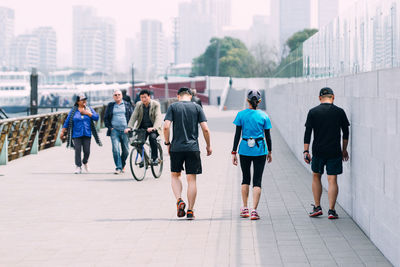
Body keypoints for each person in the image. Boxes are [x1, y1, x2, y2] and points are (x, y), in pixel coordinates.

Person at [163, 87, 212, 220]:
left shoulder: (173, 107)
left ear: (178, 96)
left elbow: (166, 126)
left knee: (175, 175)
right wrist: (208, 146)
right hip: (193, 148)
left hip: (176, 148)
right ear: (190, 96)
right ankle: (190, 210)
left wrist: (167, 143)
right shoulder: (197, 107)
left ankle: (179, 200)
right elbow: (205, 129)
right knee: (192, 180)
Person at [304, 87, 350, 220]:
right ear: (333, 97)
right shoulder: (340, 112)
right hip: (334, 151)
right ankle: (331, 210)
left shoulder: (313, 112)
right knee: (332, 179)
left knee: (316, 176)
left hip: (318, 150)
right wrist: (344, 149)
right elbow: (346, 133)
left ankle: (317, 207)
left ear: (319, 98)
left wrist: (306, 151)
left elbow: (307, 133)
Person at [231, 89, 272, 220]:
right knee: (257, 180)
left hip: (244, 149)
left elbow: (237, 135)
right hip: (260, 150)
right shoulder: (264, 116)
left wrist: (233, 152)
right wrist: (270, 151)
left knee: (245, 178)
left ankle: (244, 208)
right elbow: (268, 136)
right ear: (259, 101)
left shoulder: (241, 115)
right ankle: (254, 210)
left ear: (247, 100)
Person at [60, 93, 102, 174]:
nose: (84, 101)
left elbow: (96, 117)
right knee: (78, 150)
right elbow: (67, 121)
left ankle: (85, 162)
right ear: (78, 102)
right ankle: (78, 166)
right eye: (82, 100)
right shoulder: (73, 111)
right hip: (76, 134)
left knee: (87, 151)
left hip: (87, 133)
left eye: (85, 100)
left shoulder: (89, 109)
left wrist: (88, 113)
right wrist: (62, 131)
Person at [127, 89, 162, 165]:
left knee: (152, 138)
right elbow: (134, 116)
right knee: (137, 143)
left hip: (153, 128)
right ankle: (145, 160)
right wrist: (129, 127)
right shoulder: (139, 104)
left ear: (149, 97)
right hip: (142, 128)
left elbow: (158, 117)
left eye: (145, 97)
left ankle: (155, 158)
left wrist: (154, 127)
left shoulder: (156, 104)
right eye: (142, 97)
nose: (143, 99)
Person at [104, 89, 134, 174]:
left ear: (122, 96)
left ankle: (122, 164)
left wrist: (130, 127)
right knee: (116, 149)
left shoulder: (127, 105)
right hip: (114, 130)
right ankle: (118, 167)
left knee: (126, 151)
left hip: (125, 130)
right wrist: (110, 128)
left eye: (119, 95)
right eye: (115, 95)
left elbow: (132, 117)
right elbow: (105, 118)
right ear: (113, 97)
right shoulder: (110, 106)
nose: (117, 96)